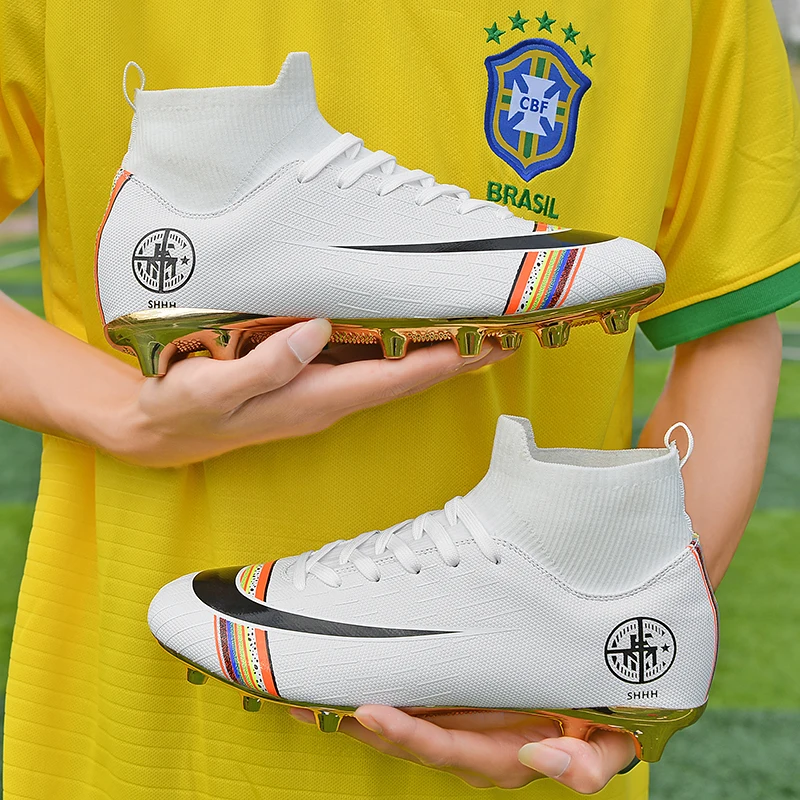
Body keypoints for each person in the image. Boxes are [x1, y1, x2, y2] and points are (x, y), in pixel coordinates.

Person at [0, 0, 797, 797]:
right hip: (137, 732)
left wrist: (611, 639)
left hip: (538, 732)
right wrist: (125, 417)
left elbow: (729, 318)